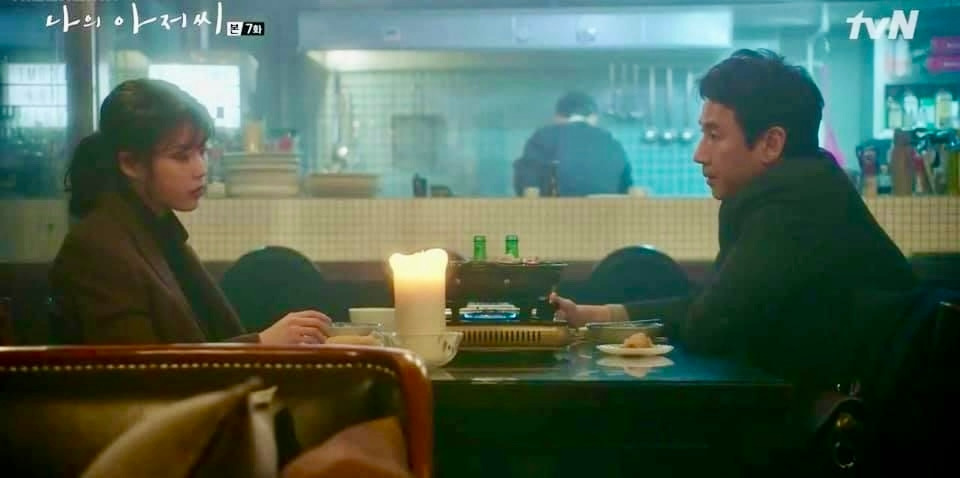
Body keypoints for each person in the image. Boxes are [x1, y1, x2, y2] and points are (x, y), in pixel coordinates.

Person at [551, 49, 918, 387]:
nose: (699, 154)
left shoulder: (792, 207)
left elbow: (710, 326)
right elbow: (713, 307)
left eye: (714, 135)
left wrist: (600, 320)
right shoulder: (803, 185)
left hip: (848, 418)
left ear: (771, 144)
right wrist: (596, 315)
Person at [49, 79, 332, 345]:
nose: (200, 169)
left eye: (201, 151)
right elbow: (137, 367)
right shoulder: (99, 247)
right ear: (131, 164)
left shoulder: (158, 230)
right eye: (181, 156)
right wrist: (261, 344)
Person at [513, 91, 632, 196]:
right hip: (605, 212)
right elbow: (627, 187)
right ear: (593, 117)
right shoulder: (610, 142)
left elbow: (527, 184)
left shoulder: (542, 137)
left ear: (557, 116)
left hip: (553, 212)